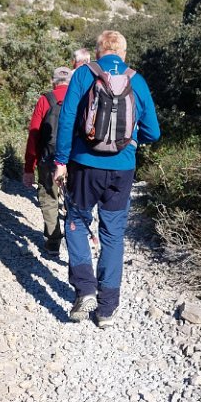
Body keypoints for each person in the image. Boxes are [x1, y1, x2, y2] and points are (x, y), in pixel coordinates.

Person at [53, 30, 160, 328]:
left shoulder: (83, 74)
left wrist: (61, 161)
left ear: (98, 52)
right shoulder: (136, 80)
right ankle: (107, 309)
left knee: (76, 221)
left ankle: (85, 289)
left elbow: (67, 120)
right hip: (122, 169)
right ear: (123, 53)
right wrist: (130, 141)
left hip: (84, 165)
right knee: (112, 234)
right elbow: (153, 132)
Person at [23, 66, 72, 255]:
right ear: (71, 82)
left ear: (53, 81)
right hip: (75, 160)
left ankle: (53, 242)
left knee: (49, 198)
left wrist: (29, 168)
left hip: (48, 158)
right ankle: (76, 243)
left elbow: (33, 136)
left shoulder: (45, 100)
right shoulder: (80, 99)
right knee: (74, 199)